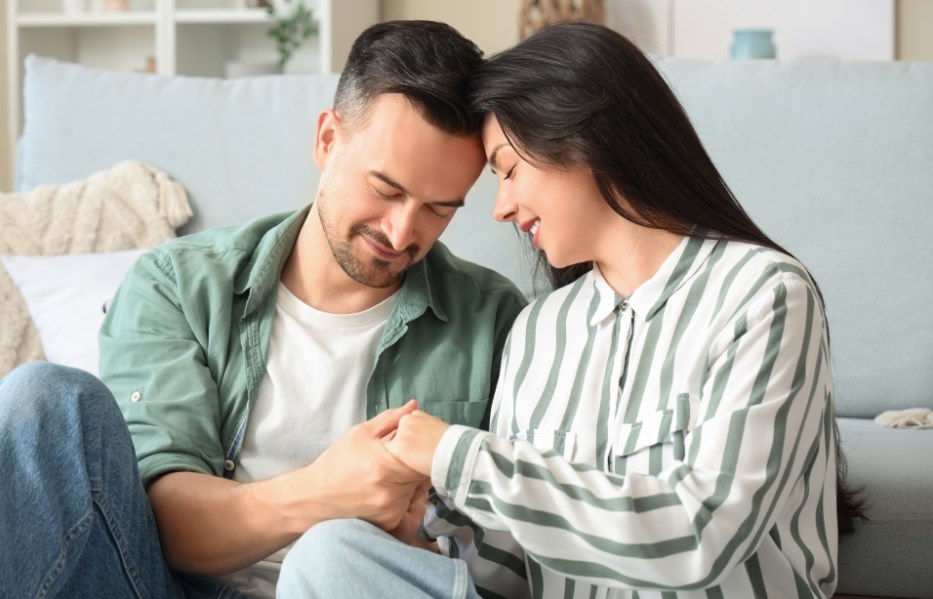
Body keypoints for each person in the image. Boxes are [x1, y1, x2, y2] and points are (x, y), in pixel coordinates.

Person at [280, 22, 862, 598]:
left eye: (508, 169)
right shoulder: (539, 330)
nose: (501, 208)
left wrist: (456, 454)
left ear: (584, 137)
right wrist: (425, 531)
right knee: (332, 553)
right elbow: (513, 569)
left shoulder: (762, 293)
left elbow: (702, 536)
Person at [0, 20, 526, 598]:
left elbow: (508, 550)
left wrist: (413, 553)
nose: (402, 232)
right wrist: (323, 492)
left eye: (438, 209)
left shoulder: (495, 321)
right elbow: (160, 526)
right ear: (327, 139)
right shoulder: (178, 284)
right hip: (168, 587)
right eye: (386, 190)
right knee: (40, 399)